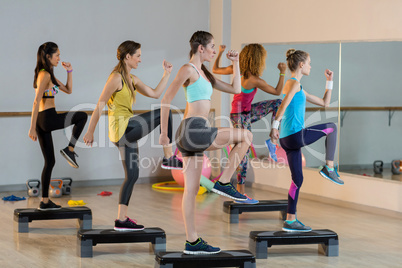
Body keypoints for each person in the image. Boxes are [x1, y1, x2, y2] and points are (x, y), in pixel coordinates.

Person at [159, 31, 253, 254]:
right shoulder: (188, 69)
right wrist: (164, 134)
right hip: (193, 130)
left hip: (193, 133)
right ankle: (225, 182)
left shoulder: (205, 74)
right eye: (211, 46)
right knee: (246, 136)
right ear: (200, 48)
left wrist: (236, 62)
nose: (214, 50)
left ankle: (192, 241)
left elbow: (235, 89)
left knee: (190, 190)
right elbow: (165, 99)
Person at [83, 40, 182, 231]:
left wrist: (167, 74)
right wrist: (90, 131)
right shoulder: (115, 78)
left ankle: (121, 219)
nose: (140, 59)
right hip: (123, 128)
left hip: (124, 132)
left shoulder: (132, 79)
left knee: (132, 175)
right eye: (138, 55)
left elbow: (155, 93)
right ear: (127, 56)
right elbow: (99, 105)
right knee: (166, 111)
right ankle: (169, 156)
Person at [269, 48, 344, 232]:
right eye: (309, 63)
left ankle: (290, 220)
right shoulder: (293, 84)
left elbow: (325, 103)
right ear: (301, 65)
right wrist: (274, 127)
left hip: (288, 140)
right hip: (295, 135)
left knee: (297, 179)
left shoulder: (298, 87)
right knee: (332, 128)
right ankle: (329, 167)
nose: (310, 66)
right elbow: (283, 105)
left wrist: (329, 81)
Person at [213, 44, 286, 203]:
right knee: (243, 155)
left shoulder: (236, 70)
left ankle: (272, 140)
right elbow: (277, 91)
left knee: (277, 103)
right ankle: (240, 192)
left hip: (245, 112)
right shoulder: (254, 79)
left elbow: (215, 69)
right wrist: (282, 72)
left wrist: (219, 53)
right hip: (239, 117)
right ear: (258, 60)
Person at [28, 42, 88, 210]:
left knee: (50, 162)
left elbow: (69, 90)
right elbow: (36, 101)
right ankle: (69, 149)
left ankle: (45, 202)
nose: (59, 58)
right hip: (46, 118)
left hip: (44, 120)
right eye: (57, 55)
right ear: (48, 56)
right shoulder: (44, 75)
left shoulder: (49, 75)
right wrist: (31, 127)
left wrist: (69, 71)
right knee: (82, 116)